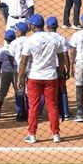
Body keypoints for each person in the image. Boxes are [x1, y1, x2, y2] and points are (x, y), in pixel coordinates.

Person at [18, 14, 65, 144]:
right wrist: (60, 73)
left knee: (33, 106)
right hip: (51, 76)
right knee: (52, 106)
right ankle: (56, 134)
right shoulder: (55, 38)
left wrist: (20, 77)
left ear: (33, 25)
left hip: (34, 77)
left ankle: (32, 134)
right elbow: (61, 58)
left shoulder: (30, 40)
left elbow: (23, 61)